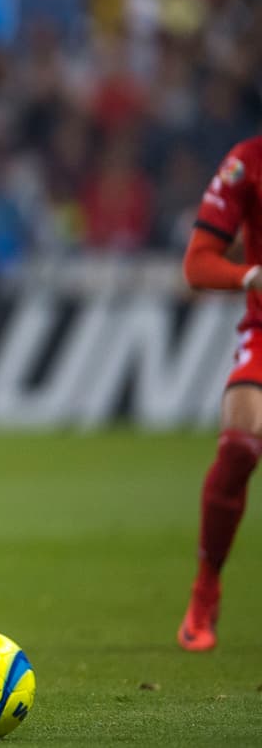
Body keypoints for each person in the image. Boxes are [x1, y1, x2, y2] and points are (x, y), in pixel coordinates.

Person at [177, 135, 262, 652]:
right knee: (238, 443)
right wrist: (249, 274)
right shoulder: (247, 163)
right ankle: (205, 590)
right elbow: (198, 262)